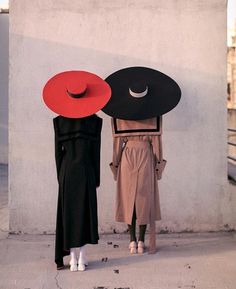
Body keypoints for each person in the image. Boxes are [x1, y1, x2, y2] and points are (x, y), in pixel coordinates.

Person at [102, 66, 181, 253]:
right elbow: (157, 144)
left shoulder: (119, 116)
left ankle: (132, 241)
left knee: (129, 198)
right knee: (145, 199)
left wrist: (115, 166)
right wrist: (159, 167)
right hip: (146, 155)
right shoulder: (154, 116)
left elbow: (117, 145)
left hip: (127, 157)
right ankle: (140, 241)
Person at [43, 70, 111, 270]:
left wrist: (60, 177)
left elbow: (57, 154)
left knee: (69, 214)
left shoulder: (59, 122)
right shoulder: (94, 122)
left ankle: (71, 259)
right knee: (84, 213)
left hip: (67, 172)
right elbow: (95, 153)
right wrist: (96, 178)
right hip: (86, 171)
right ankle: (82, 258)